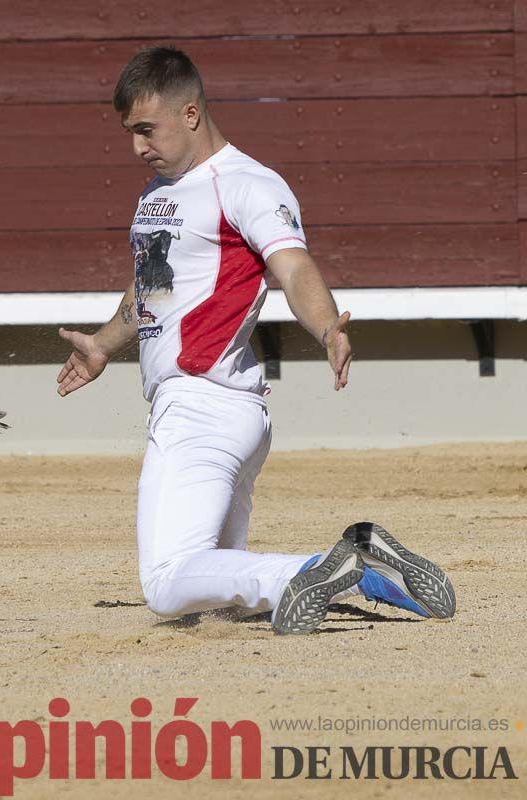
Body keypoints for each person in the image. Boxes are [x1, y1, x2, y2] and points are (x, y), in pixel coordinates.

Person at [55, 47, 455, 634]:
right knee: (222, 591)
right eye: (130, 133)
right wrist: (102, 345)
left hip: (200, 407)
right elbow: (153, 291)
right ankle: (371, 566)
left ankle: (318, 567)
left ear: (190, 115)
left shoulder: (245, 184)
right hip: (229, 411)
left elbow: (293, 267)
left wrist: (325, 328)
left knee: (166, 583)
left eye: (147, 129)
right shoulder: (157, 195)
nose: (137, 147)